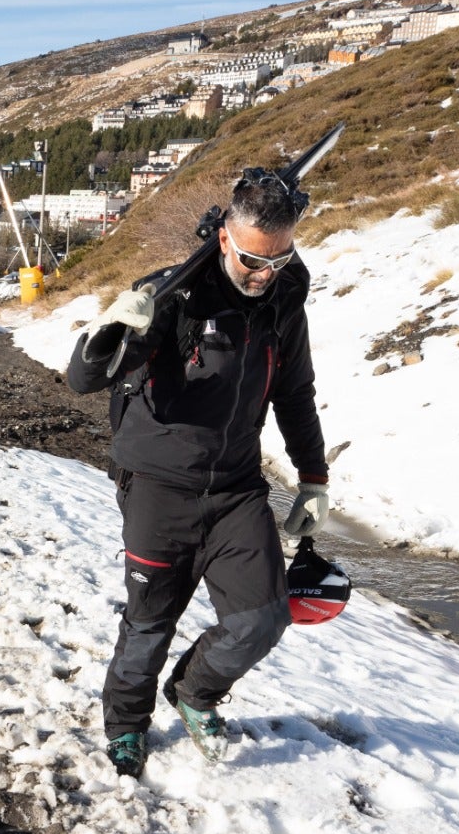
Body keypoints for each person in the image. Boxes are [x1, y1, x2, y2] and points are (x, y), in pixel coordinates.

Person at [66, 168, 330, 772]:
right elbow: (84, 380)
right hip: (159, 488)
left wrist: (313, 477)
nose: (265, 275)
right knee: (151, 620)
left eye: (280, 260)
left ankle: (195, 692)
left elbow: (295, 392)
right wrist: (107, 329)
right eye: (253, 262)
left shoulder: (284, 299)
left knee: (263, 618)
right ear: (224, 240)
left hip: (237, 488)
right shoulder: (173, 296)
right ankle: (126, 723)